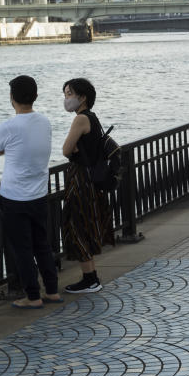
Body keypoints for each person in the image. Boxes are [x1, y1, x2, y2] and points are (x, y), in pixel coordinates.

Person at [0, 75, 62, 309]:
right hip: (39, 194)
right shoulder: (44, 122)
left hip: (13, 197)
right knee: (42, 244)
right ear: (35, 96)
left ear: (12, 98)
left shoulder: (8, 126)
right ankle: (51, 290)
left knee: (22, 249)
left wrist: (8, 148)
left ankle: (32, 296)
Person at [61, 77, 114, 293]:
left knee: (76, 225)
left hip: (80, 179)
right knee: (85, 224)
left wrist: (72, 150)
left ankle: (90, 279)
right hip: (90, 179)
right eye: (65, 94)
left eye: (70, 94)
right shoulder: (92, 117)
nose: (66, 99)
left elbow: (66, 150)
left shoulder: (80, 119)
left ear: (83, 97)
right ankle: (90, 277)